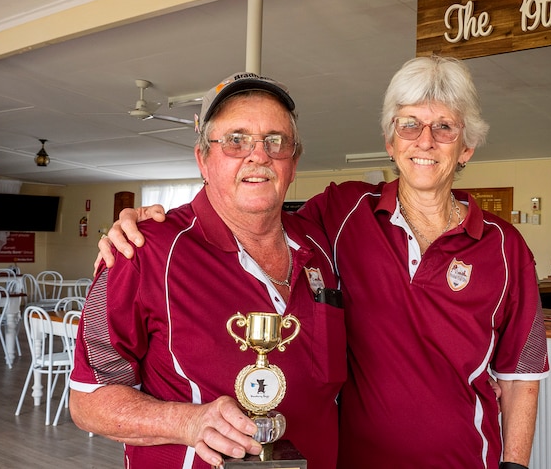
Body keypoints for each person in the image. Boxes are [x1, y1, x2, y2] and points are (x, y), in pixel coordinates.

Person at [99, 56, 550, 468]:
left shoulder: (507, 248)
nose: (425, 141)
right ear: (391, 142)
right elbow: (256, 210)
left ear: (466, 147)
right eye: (410, 124)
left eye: (445, 128)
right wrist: (139, 223)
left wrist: (515, 465)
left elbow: (520, 377)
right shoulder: (344, 213)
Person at [69, 72, 346, 469]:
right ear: (202, 158)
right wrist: (189, 421)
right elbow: (87, 400)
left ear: (293, 161)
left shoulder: (322, 244)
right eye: (236, 140)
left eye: (275, 141)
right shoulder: (140, 250)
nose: (258, 154)